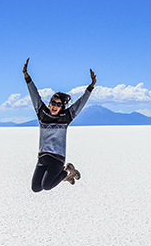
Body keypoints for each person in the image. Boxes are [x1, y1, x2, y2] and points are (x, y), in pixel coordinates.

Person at [23, 58, 96, 193]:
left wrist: (90, 87)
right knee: (36, 188)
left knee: (47, 186)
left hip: (57, 158)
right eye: (53, 103)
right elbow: (34, 95)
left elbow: (80, 104)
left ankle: (68, 172)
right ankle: (66, 176)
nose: (55, 106)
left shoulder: (65, 117)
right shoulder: (42, 114)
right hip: (42, 157)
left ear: (61, 107)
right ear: (49, 103)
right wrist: (27, 77)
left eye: (58, 104)